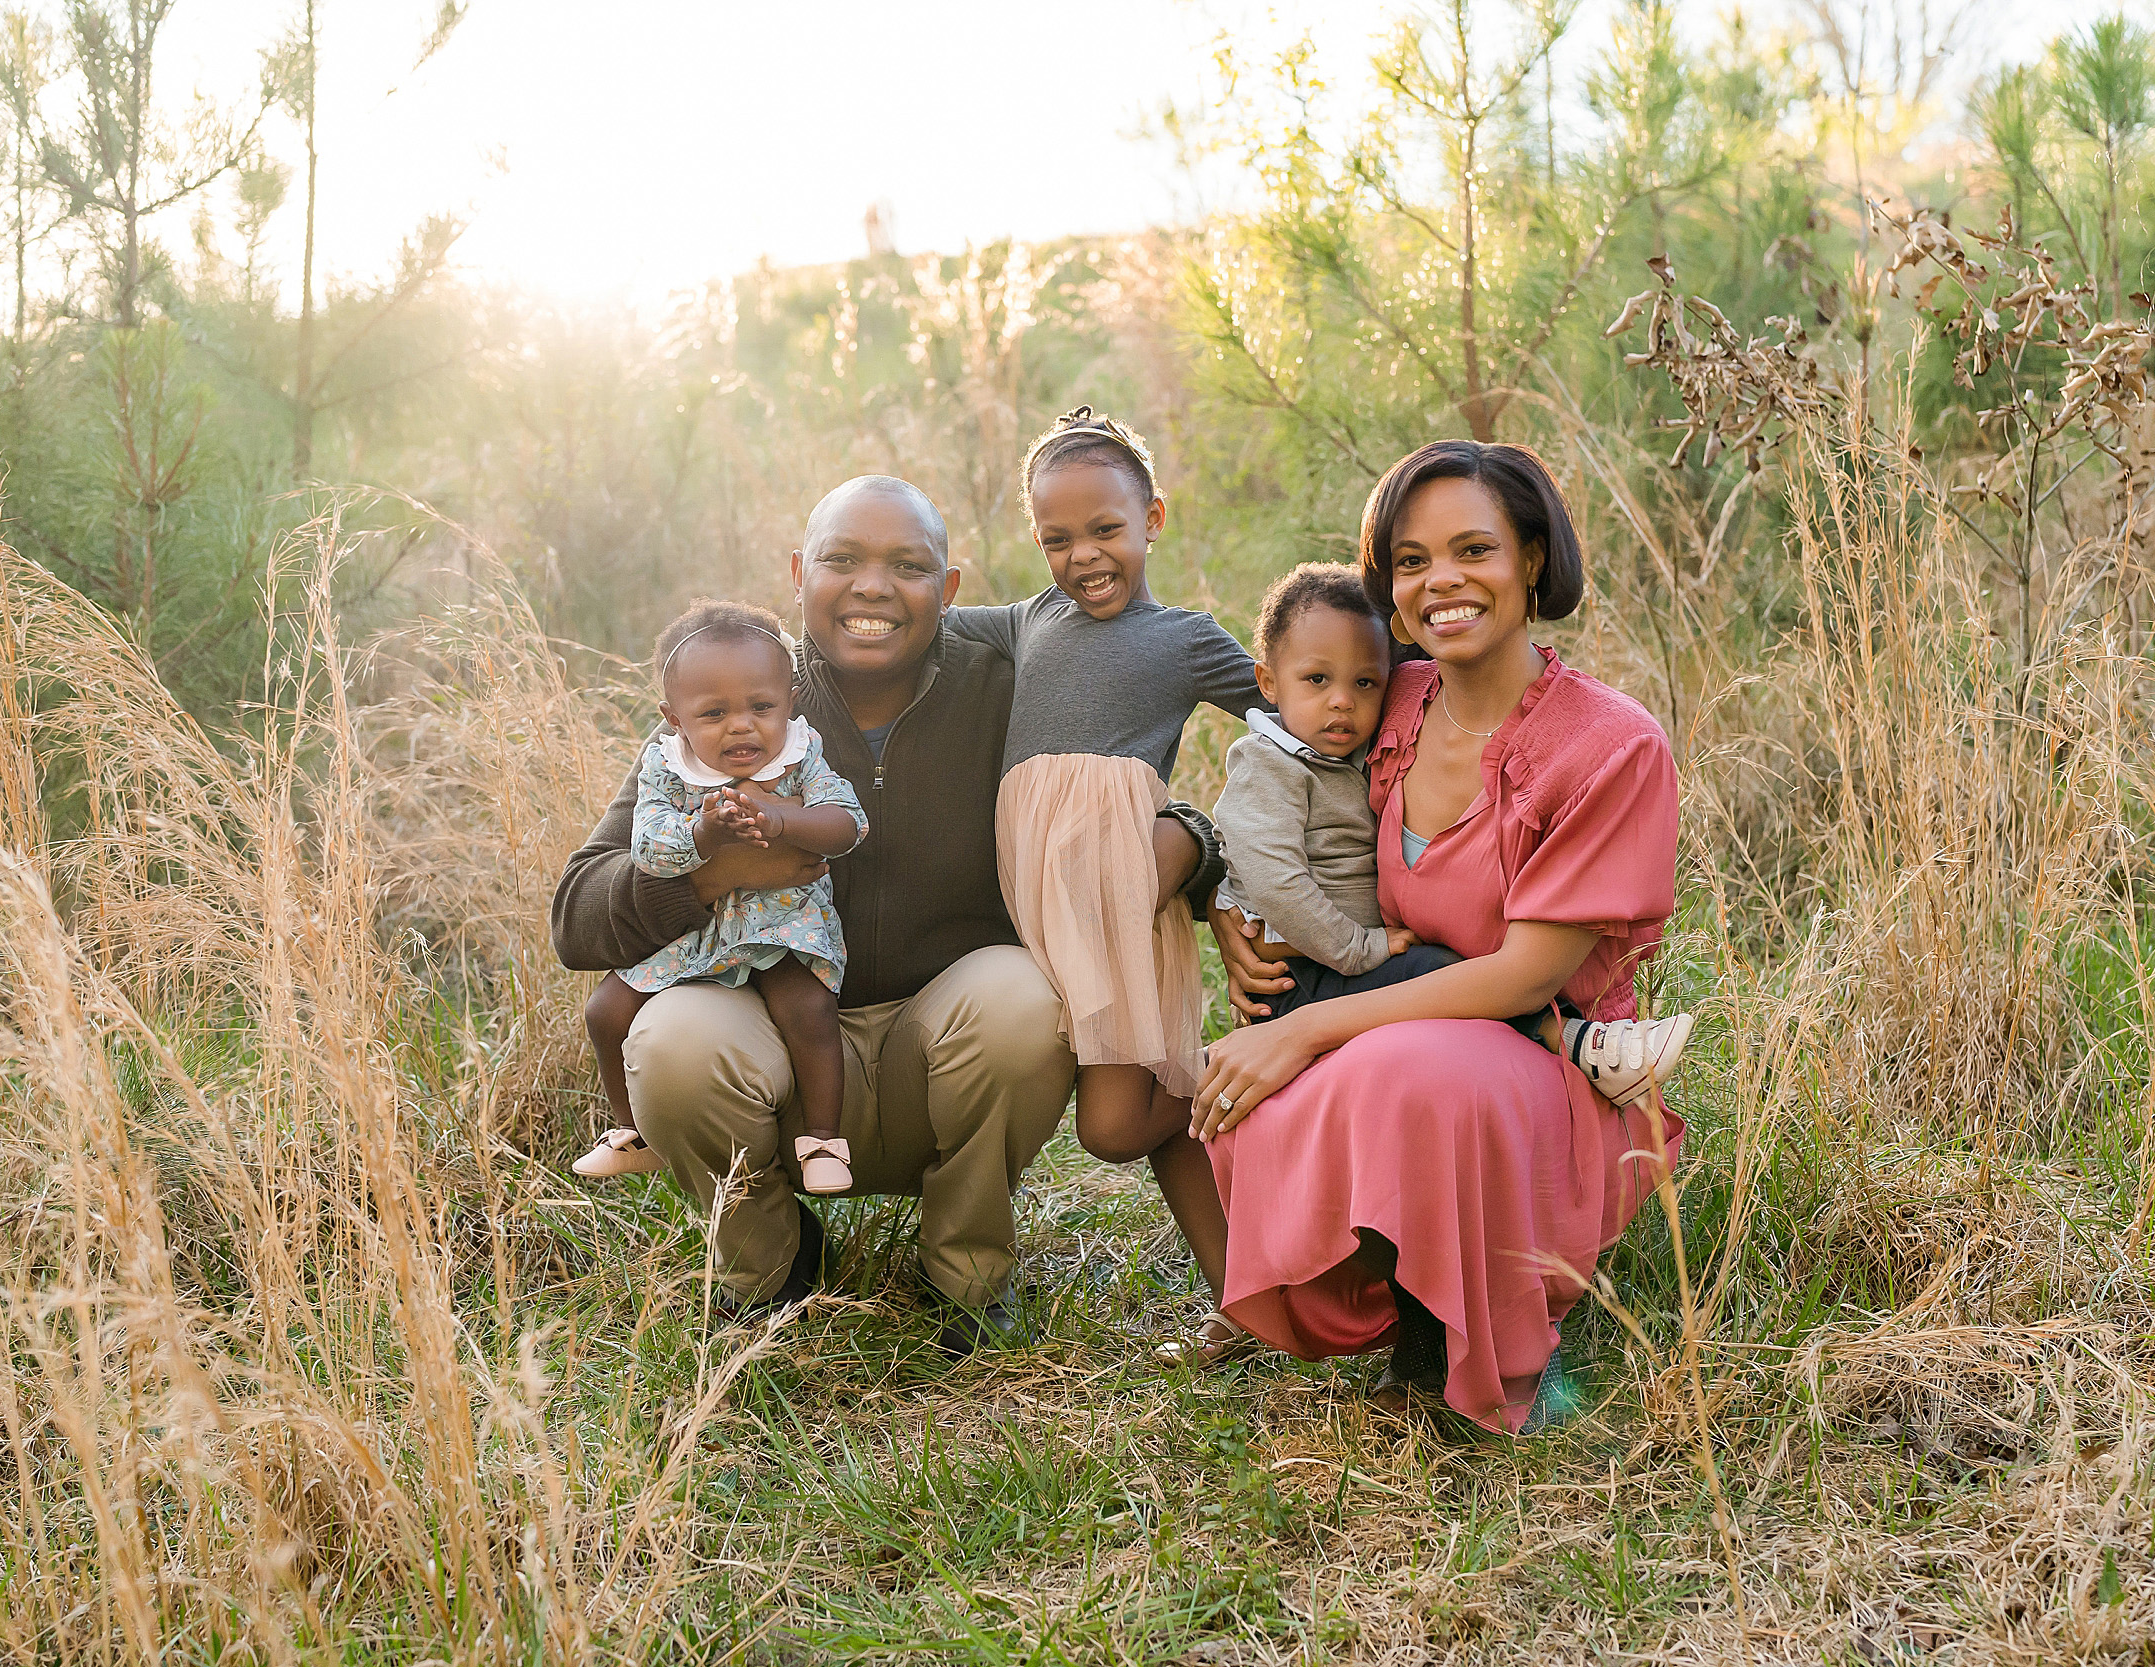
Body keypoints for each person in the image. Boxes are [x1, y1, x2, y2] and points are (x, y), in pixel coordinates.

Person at [551, 475, 1214, 1353]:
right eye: (842, 559)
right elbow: (578, 913)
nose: (872, 585)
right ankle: (765, 1272)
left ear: (948, 591)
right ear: (798, 574)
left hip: (935, 1050)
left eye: (907, 565)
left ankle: (967, 1273)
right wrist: (714, 873)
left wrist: (1192, 841)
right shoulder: (736, 702)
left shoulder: (1010, 686)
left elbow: (1113, 787)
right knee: (671, 1038)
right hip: (770, 1050)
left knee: (1023, 997)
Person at [1192, 439, 1688, 1430]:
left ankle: (1455, 1361)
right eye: (1412, 561)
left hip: (1550, 1060)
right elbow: (1271, 797)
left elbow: (1520, 975)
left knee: (1411, 1071)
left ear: (1533, 559)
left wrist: (1303, 1029)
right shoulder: (1387, 698)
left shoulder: (1609, 745)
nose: (1441, 581)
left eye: (1474, 549)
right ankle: (1375, 1291)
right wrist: (1225, 907)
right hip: (1394, 1019)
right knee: (1260, 1080)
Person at [938, 406, 1260, 1326]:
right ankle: (1246, 1299)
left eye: (1107, 529)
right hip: (1040, 907)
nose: (1084, 555)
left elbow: (1291, 714)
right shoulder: (1029, 619)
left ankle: (1229, 1092)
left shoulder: (1186, 638)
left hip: (1127, 892)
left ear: (1153, 519)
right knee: (1138, 1116)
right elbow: (926, 623)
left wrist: (1215, 842)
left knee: (1117, 1127)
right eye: (1057, 537)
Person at [571, 600, 868, 1195]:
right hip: (696, 933)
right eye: (713, 713)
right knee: (605, 1009)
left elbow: (847, 824)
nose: (742, 726)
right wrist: (706, 836)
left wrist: (784, 821)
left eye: (762, 706)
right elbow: (649, 848)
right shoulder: (666, 766)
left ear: (790, 699)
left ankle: (824, 1143)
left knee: (806, 1008)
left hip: (782, 923)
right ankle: (633, 1135)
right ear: (673, 717)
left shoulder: (800, 755)